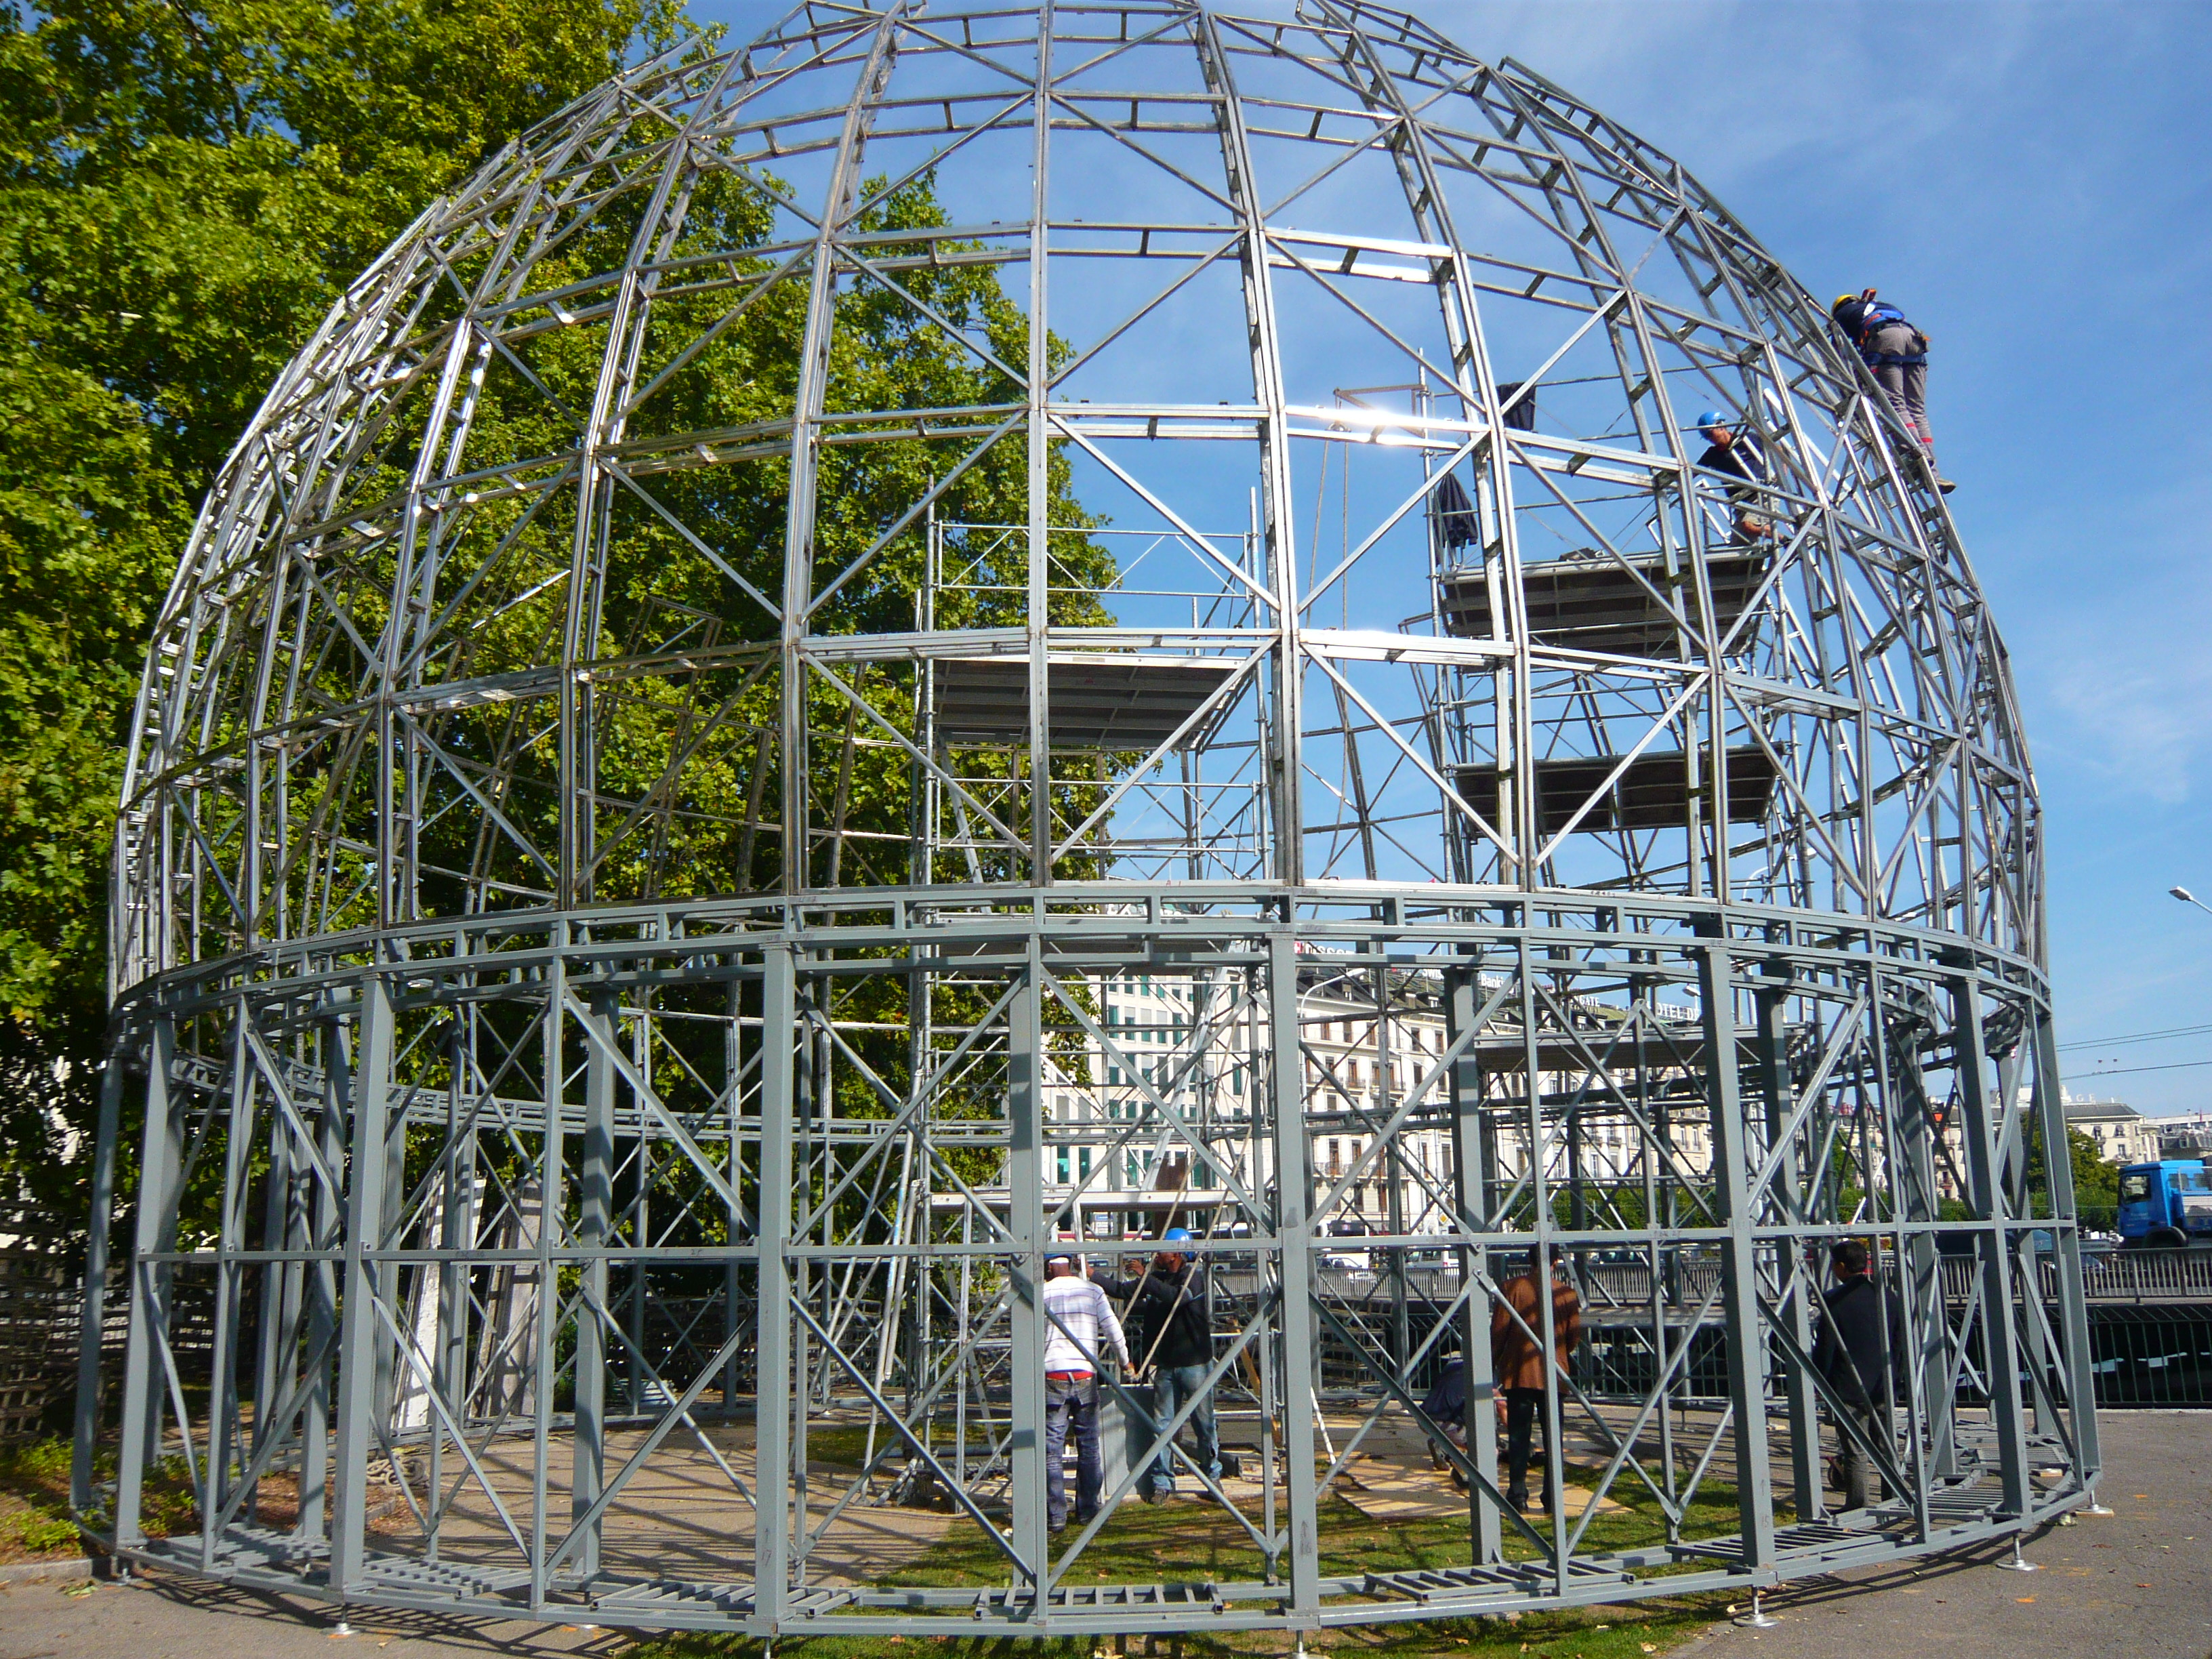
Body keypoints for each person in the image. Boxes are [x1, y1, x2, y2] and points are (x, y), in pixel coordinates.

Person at [1114, 1228, 1221, 1502]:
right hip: (1166, 1365)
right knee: (1162, 1425)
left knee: (1204, 1423)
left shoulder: (1193, 1277)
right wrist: (1093, 1276)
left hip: (1194, 1364)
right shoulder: (1158, 1279)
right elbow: (1123, 1291)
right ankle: (1162, 1482)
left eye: (1162, 1249)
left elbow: (1178, 1297)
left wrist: (1145, 1278)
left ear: (1175, 1254)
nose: (1156, 1254)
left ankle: (1212, 1476)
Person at [1809, 1239, 1905, 1511]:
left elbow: (1826, 1346)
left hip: (1848, 1384)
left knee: (1855, 1448)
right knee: (1887, 1445)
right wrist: (1897, 1376)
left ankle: (1858, 1503)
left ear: (1841, 1266)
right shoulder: (1886, 1296)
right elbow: (1899, 1340)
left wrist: (1821, 1380)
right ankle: (1893, 1498)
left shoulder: (1833, 1300)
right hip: (1883, 1382)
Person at [1830, 288, 1954, 493]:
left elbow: (1838, 355)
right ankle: (1932, 473)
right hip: (1914, 340)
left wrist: (1850, 388)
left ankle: (1916, 453)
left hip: (1886, 339)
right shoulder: (1878, 306)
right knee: (1916, 409)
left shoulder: (1843, 316)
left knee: (1895, 403)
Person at [1041, 1250, 1129, 1533]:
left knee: (1052, 1449)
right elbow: (1113, 1329)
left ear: (1048, 1267)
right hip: (1084, 1373)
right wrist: (1125, 1360)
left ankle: (1056, 1516)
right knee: (1089, 1445)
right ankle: (1088, 1511)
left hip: (1053, 1372)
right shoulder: (1093, 1291)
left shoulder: (1040, 1293)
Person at [1491, 1245, 1580, 1513]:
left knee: (1519, 1435)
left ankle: (1518, 1494)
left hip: (1520, 1373)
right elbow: (1573, 1336)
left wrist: (1494, 1362)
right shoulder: (1566, 1293)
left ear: (1528, 1260)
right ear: (1556, 1262)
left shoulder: (1511, 1288)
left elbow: (1499, 1331)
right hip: (1554, 1373)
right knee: (1554, 1438)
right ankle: (1552, 1496)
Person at [1692, 410, 1774, 544]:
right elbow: (1692, 472)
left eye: (1710, 434)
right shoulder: (1712, 455)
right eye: (1707, 437)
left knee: (1748, 525)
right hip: (1741, 503)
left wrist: (1780, 475)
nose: (1710, 439)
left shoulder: (1748, 439)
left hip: (1760, 494)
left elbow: (1776, 448)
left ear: (1721, 427)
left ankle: (1784, 540)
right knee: (1738, 545)